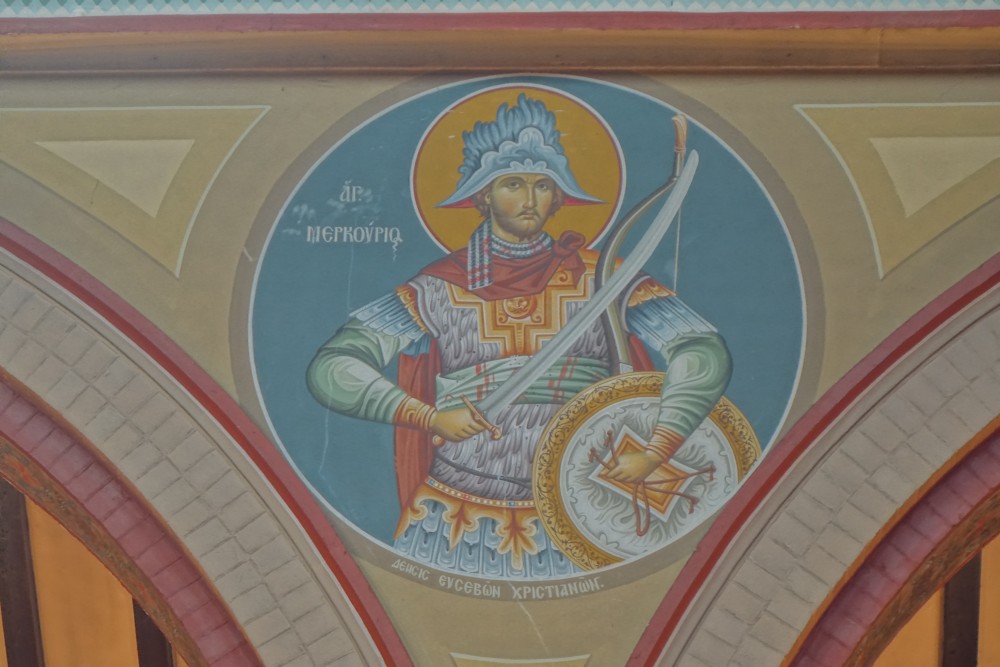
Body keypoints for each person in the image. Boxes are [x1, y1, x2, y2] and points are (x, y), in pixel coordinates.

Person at [307, 94, 731, 578]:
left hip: (586, 512)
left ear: (559, 196)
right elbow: (333, 366)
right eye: (513, 184)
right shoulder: (436, 288)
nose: (530, 199)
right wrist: (428, 417)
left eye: (542, 185)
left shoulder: (606, 278)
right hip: (458, 518)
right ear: (482, 196)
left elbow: (701, 349)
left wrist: (657, 449)